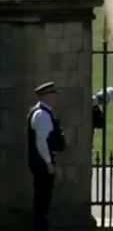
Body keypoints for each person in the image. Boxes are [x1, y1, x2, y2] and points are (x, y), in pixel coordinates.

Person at [28, 82, 66, 231]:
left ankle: (41, 227)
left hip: (42, 162)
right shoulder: (42, 114)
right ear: (45, 97)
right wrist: (49, 163)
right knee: (43, 198)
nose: (55, 98)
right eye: (52, 94)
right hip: (42, 163)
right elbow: (41, 142)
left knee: (43, 197)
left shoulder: (44, 112)